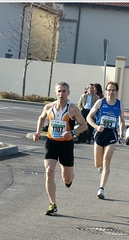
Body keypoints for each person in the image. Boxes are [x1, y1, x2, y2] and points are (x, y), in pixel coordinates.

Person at [32, 81, 87, 216]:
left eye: (64, 91)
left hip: (66, 145)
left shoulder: (72, 109)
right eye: (59, 91)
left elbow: (84, 125)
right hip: (51, 143)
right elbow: (41, 118)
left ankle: (70, 176)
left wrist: (72, 133)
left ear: (68, 93)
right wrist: (38, 132)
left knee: (66, 179)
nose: (61, 94)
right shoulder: (48, 107)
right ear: (55, 93)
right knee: (49, 172)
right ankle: (52, 204)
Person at [86, 81, 125, 199]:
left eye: (113, 90)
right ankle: (101, 169)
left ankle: (101, 188)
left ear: (116, 92)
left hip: (112, 134)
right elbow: (89, 117)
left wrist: (122, 135)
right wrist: (96, 126)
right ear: (106, 91)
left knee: (106, 160)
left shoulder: (119, 104)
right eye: (109, 90)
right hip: (99, 133)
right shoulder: (100, 102)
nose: (111, 92)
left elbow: (122, 121)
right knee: (98, 163)